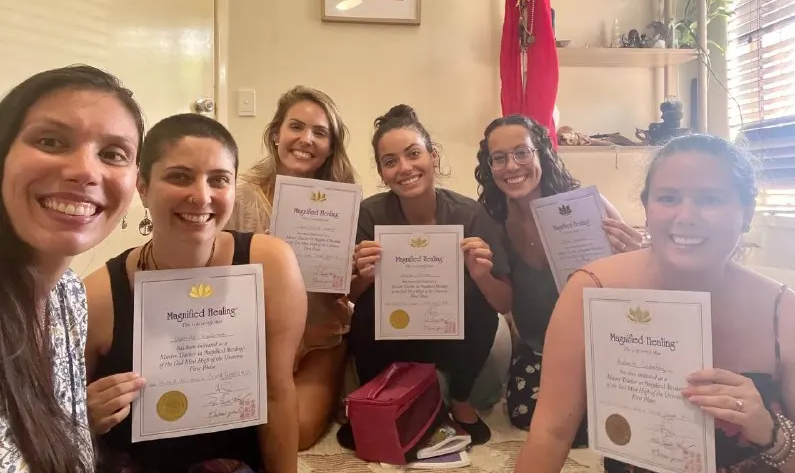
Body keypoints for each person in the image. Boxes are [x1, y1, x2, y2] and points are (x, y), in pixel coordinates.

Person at [513, 134, 795, 473]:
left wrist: (772, 433)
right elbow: (551, 432)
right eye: (668, 198)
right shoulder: (592, 289)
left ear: (747, 212)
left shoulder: (785, 313)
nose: (686, 216)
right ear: (647, 208)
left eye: (710, 199)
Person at [84, 113, 307, 473]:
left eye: (218, 180)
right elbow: (52, 424)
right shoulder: (97, 295)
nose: (201, 196)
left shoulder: (271, 264)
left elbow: (277, 392)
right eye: (179, 176)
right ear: (142, 186)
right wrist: (81, 418)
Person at [0, 65, 144, 473]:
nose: (84, 171)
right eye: (50, 141)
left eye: (112, 154)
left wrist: (78, 422)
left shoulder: (68, 293)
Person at [344, 104, 512, 446]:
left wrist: (481, 275)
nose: (404, 168)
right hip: (394, 335)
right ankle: (374, 397)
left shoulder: (470, 214)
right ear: (382, 172)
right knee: (368, 305)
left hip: (453, 338)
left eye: (413, 154)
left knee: (477, 300)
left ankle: (460, 400)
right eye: (390, 161)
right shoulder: (369, 214)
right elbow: (350, 298)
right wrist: (363, 275)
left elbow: (504, 302)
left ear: (433, 157)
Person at [475, 114, 643, 434]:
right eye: (499, 158)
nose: (511, 166)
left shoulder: (586, 206)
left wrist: (634, 254)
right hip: (541, 349)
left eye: (522, 152)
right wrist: (480, 273)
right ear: (489, 166)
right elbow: (502, 303)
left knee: (613, 424)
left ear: (542, 154)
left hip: (601, 346)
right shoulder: (494, 221)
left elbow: (634, 283)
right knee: (528, 416)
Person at [228, 86, 356, 449]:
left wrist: (352, 271)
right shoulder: (239, 196)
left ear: (330, 147)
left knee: (294, 433)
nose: (306, 139)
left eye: (320, 133)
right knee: (230, 419)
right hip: (251, 338)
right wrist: (262, 256)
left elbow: (345, 294)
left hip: (318, 334)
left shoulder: (341, 203)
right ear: (276, 134)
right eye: (296, 127)